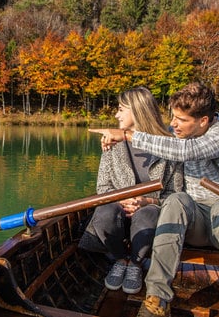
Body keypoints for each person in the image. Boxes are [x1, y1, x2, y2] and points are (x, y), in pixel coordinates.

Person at [90, 82, 219, 317]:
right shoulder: (181, 132)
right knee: (177, 200)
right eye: (173, 117)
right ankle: (156, 299)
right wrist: (118, 139)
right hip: (194, 219)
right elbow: (163, 139)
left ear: (203, 121)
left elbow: (187, 151)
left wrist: (126, 134)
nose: (173, 124)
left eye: (180, 120)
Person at [78, 86, 184, 295]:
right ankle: (120, 259)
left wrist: (147, 201)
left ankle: (135, 264)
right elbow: (103, 187)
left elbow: (175, 194)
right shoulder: (112, 142)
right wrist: (123, 199)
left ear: (137, 110)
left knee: (147, 216)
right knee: (104, 213)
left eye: (120, 109)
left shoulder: (170, 146)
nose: (116, 114)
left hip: (150, 210)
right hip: (118, 206)